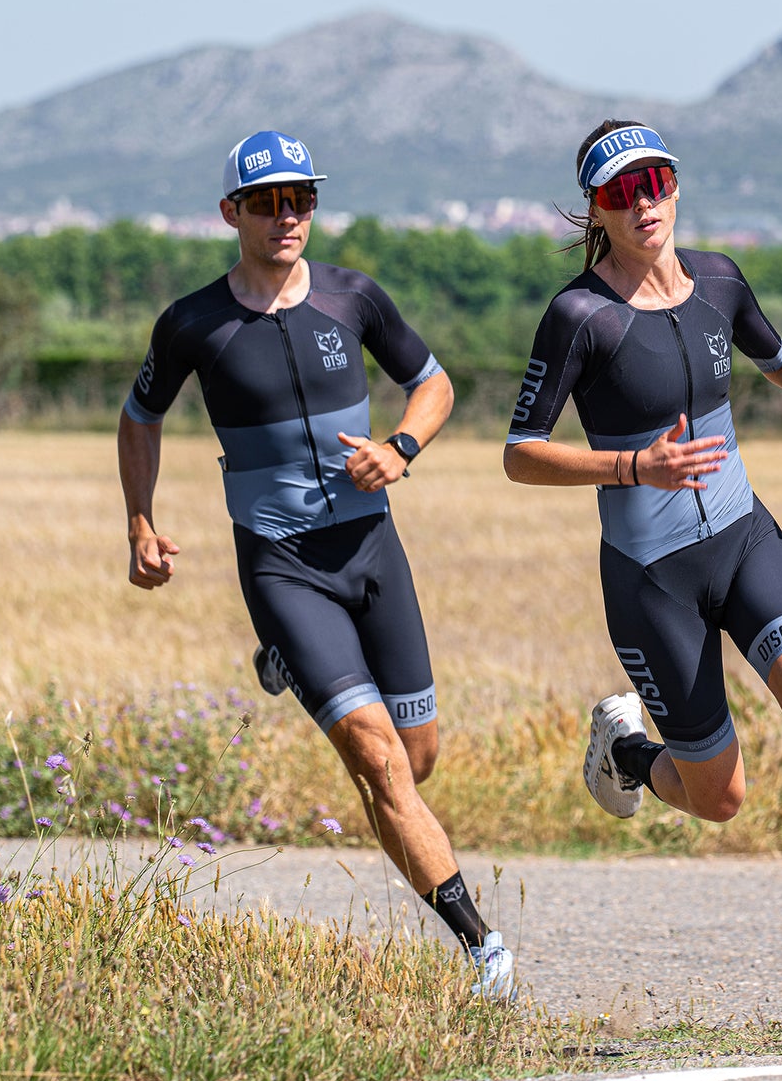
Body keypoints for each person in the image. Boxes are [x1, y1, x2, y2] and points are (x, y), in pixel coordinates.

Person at [504, 120, 782, 1020]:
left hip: (745, 538)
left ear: (674, 184)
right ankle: (626, 749)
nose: (645, 201)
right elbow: (519, 453)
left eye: (656, 180)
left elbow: (774, 353)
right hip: (651, 574)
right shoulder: (579, 315)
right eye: (623, 191)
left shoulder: (719, 280)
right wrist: (634, 467)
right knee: (721, 798)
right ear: (597, 207)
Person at [117, 128, 514, 1000]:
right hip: (281, 563)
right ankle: (482, 947)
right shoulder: (192, 322)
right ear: (232, 213)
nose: (287, 215)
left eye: (301, 198)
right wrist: (141, 521)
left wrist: (401, 446)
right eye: (267, 201)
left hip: (373, 550)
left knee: (415, 757)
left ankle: (287, 663)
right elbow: (139, 415)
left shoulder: (353, 296)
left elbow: (436, 381)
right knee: (375, 760)